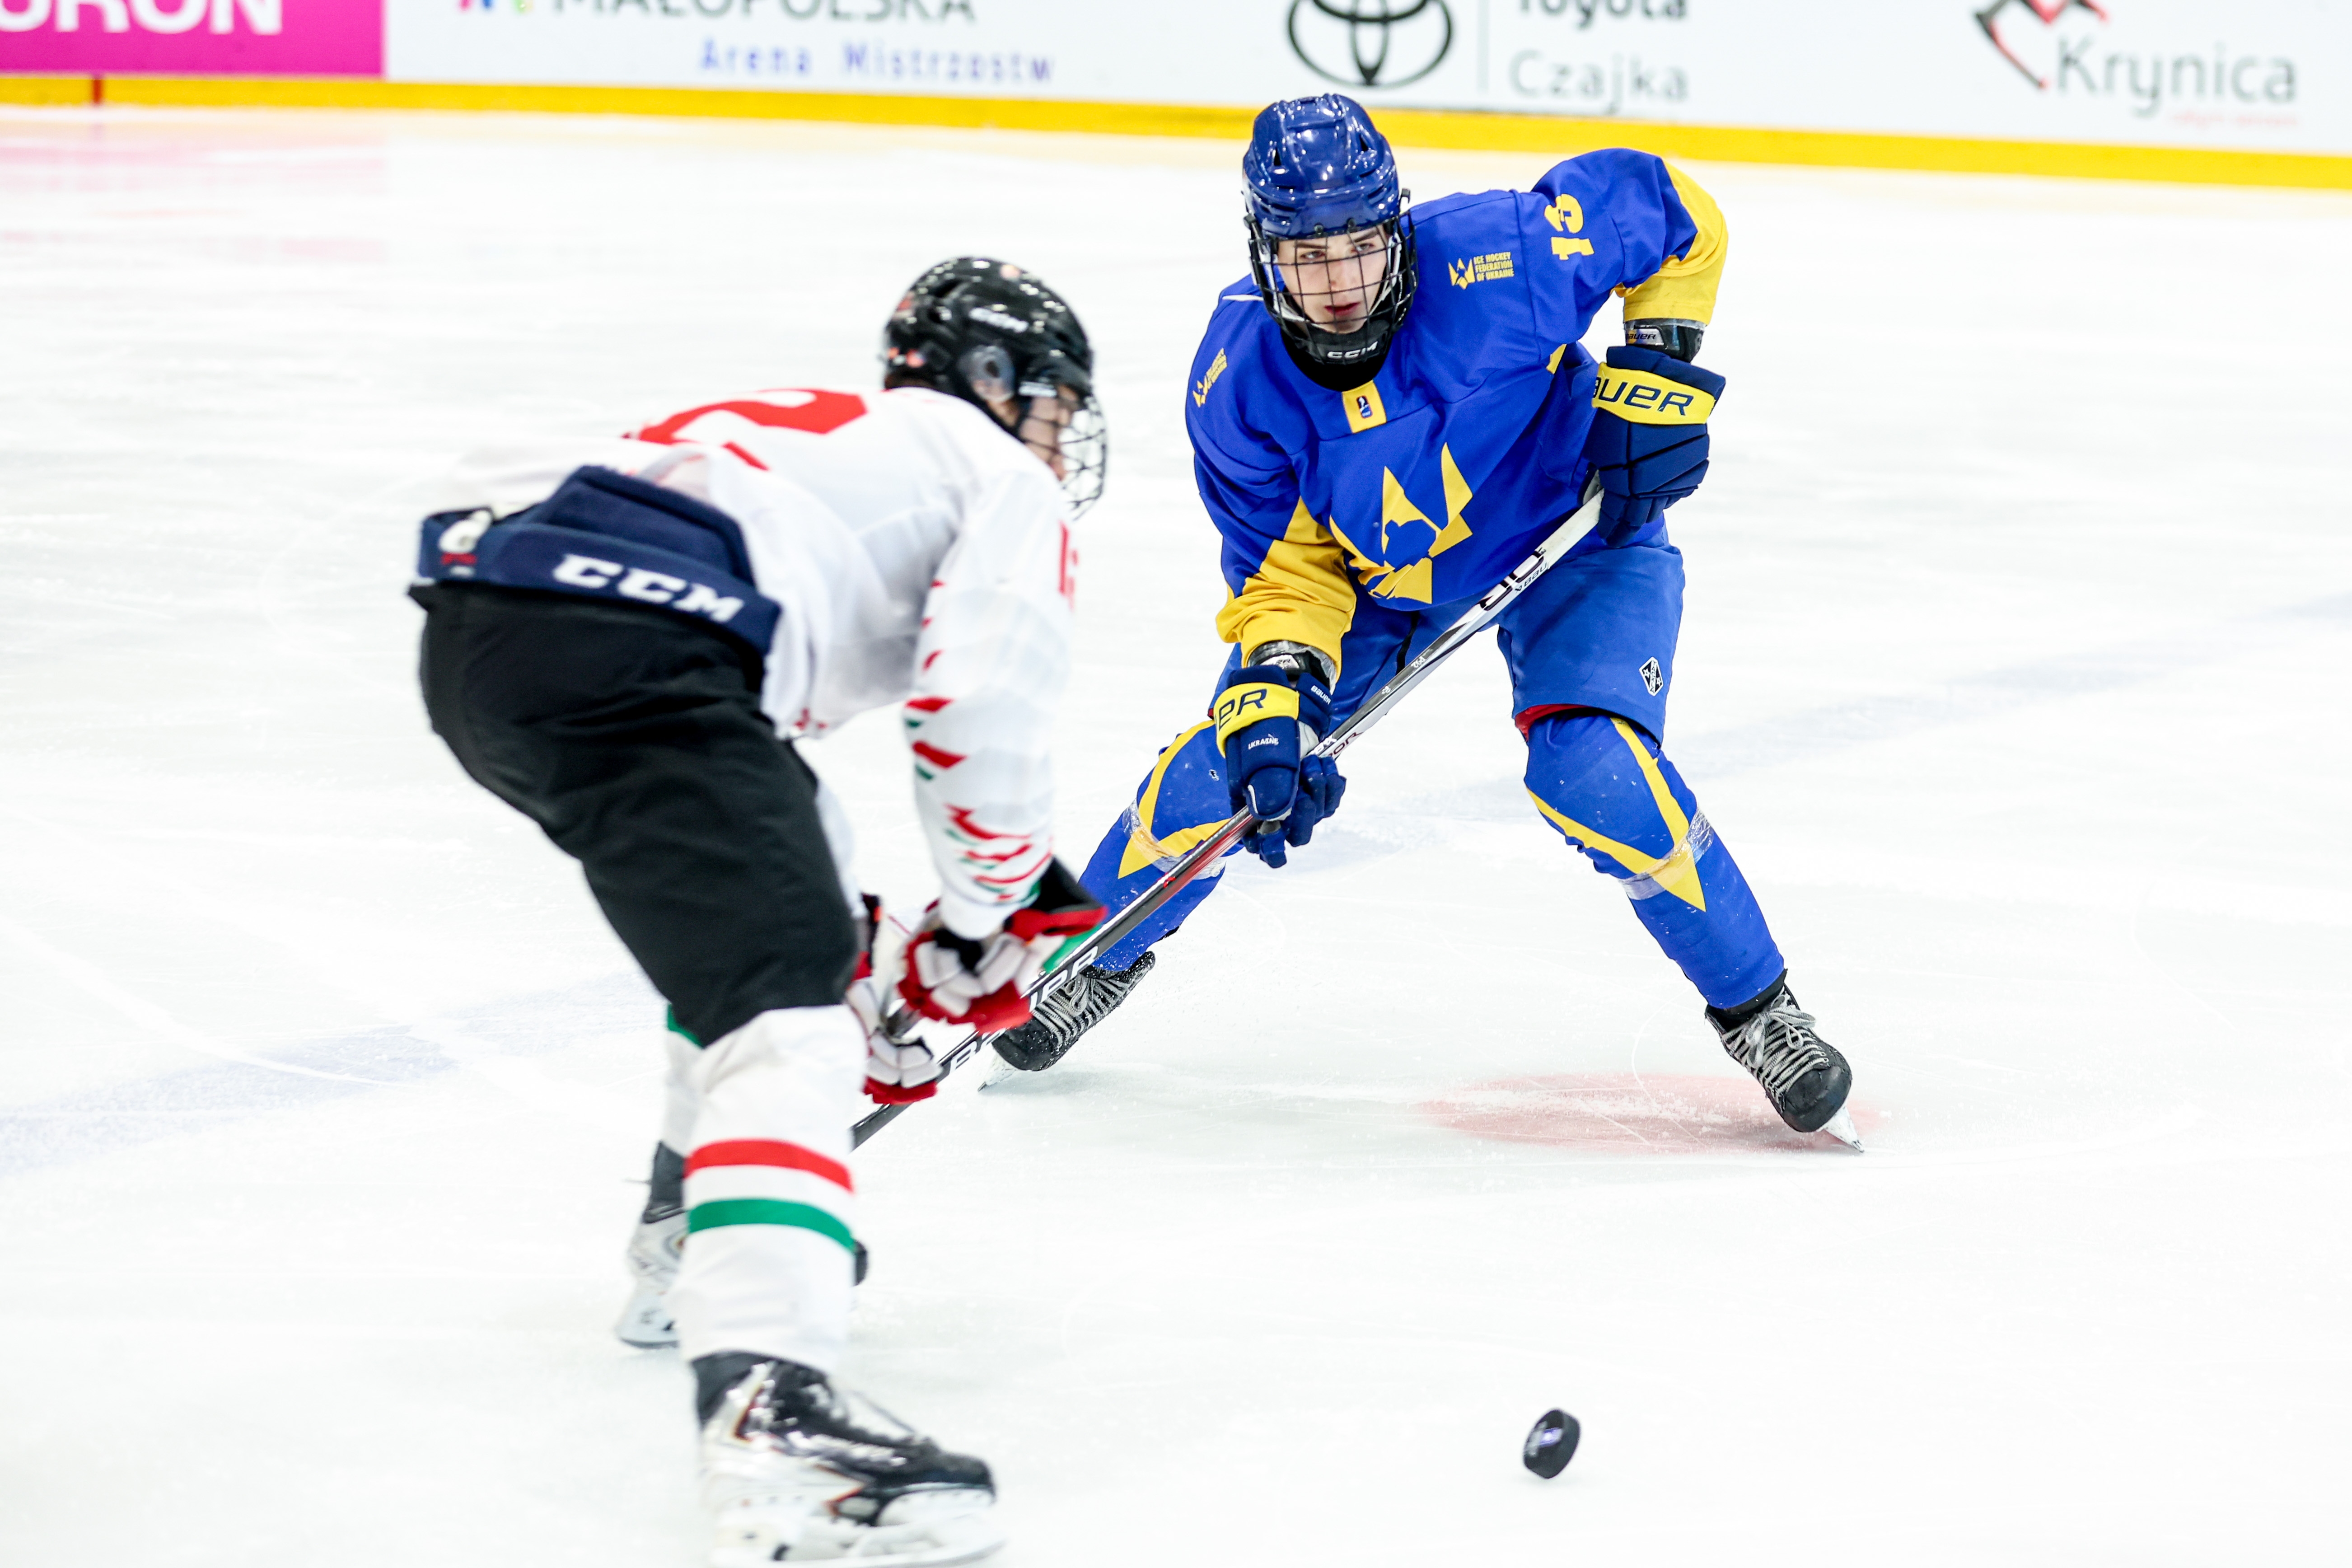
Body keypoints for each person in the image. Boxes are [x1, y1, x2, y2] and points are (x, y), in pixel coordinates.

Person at [408, 257, 1107, 1567]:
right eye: (1055, 405)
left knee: (776, 964)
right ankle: (774, 1414)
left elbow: (771, 796)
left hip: (488, 640)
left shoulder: (834, 451)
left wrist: (869, 957)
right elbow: (980, 705)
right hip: (632, 644)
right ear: (995, 379)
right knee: (789, 1018)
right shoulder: (994, 473)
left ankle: (688, 1237)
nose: (1059, 441)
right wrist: (989, 919)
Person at [991, 96, 1857, 1145]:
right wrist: (1279, 697)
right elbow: (1286, 570)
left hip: (1575, 529)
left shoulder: (1502, 256)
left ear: (1397, 227)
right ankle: (1089, 957)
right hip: (1374, 584)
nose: (1341, 287)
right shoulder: (1237, 383)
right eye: (1309, 258)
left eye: (1361, 248)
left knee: (1596, 771)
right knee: (1224, 769)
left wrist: (1658, 379)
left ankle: (1763, 1011)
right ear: (1263, 253)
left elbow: (1673, 211)